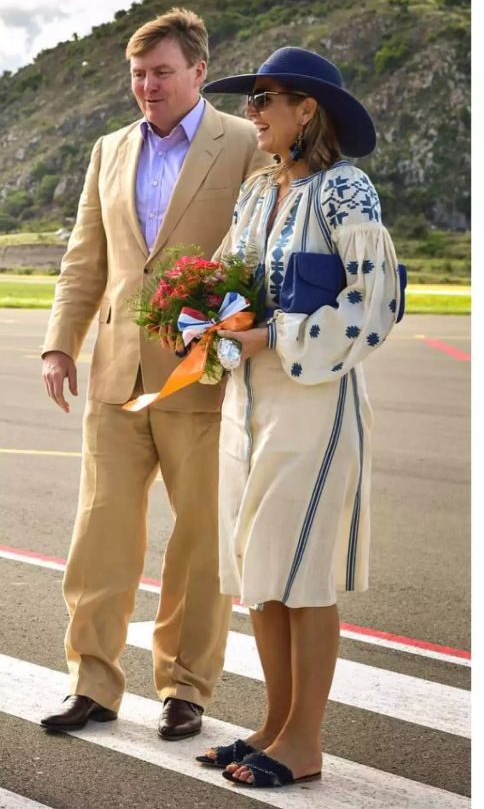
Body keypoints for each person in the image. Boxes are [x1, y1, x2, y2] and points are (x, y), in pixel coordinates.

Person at [39, 9, 269, 739]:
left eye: (162, 72)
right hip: (113, 373)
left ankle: (186, 687)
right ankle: (93, 683)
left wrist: (241, 334)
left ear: (200, 71)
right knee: (100, 535)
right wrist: (58, 344)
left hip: (199, 376)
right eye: (138, 74)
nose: (147, 86)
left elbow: (262, 251)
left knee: (200, 539)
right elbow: (86, 257)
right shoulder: (108, 149)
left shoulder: (242, 143)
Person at [192, 47, 401, 789]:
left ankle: (304, 741)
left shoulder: (347, 191)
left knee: (304, 572)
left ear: (306, 110)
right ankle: (274, 725)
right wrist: (197, 320)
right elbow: (219, 278)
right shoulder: (256, 192)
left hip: (314, 403)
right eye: (249, 101)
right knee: (264, 571)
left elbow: (376, 303)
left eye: (264, 100)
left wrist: (272, 336)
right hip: (248, 400)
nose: (250, 113)